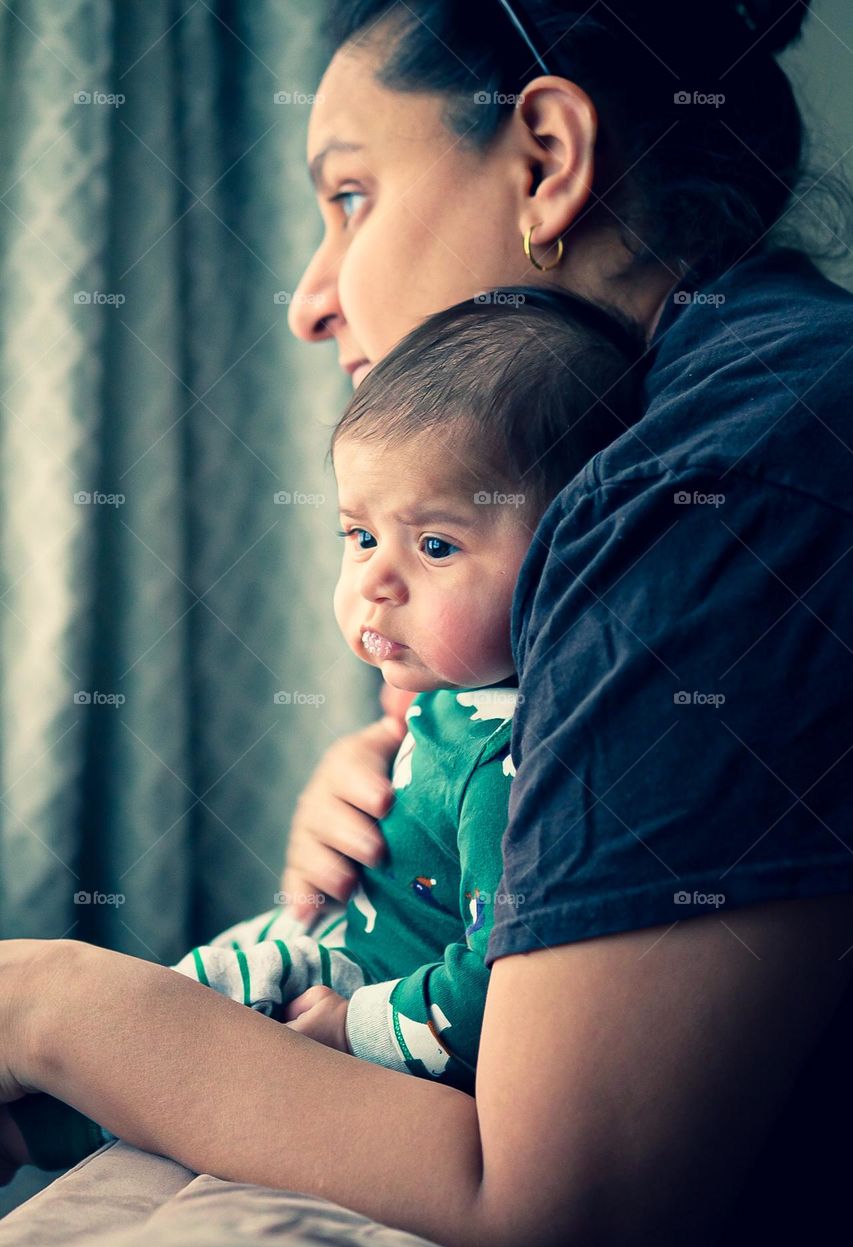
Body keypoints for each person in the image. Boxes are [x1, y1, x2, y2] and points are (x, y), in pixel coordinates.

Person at [0, 3, 851, 1247]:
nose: (308, 299)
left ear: (547, 161)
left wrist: (49, 1004)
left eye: (349, 193)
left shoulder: (722, 474)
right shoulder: (712, 411)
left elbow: (564, 1201)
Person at [1, 286, 645, 1171]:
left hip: (367, 997)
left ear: (565, 554)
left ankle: (34, 1128)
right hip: (328, 946)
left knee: (201, 1001)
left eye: (436, 546)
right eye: (358, 535)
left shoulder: (512, 766)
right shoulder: (454, 693)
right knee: (206, 976)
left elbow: (493, 989)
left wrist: (350, 1029)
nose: (375, 581)